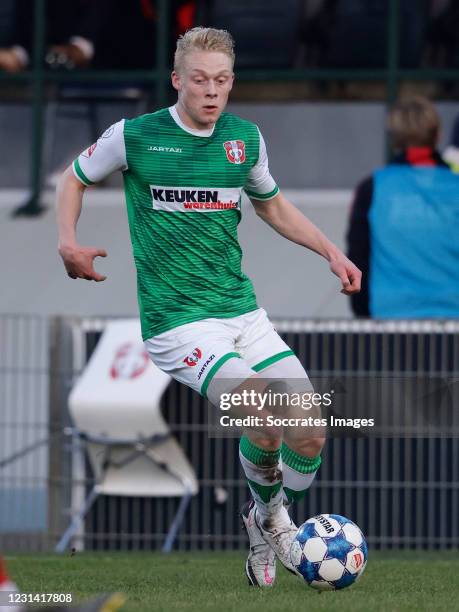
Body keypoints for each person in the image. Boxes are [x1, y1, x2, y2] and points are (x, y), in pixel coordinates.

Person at [56, 27, 361, 587]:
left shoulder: (244, 138)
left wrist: (331, 253)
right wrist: (68, 241)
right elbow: (72, 181)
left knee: (311, 432)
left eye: (222, 80)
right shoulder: (135, 136)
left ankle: (260, 519)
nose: (212, 91)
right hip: (178, 323)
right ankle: (275, 525)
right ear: (178, 80)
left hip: (242, 314)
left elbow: (273, 207)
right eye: (200, 79)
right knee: (264, 417)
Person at [347, 96, 459, 318]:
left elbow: (358, 259)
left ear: (394, 140)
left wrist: (364, 316)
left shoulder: (371, 189)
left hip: (388, 323)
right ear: (437, 136)